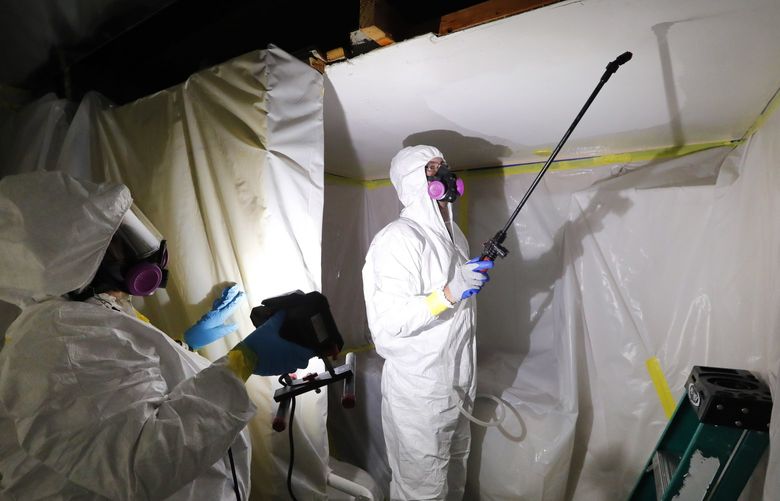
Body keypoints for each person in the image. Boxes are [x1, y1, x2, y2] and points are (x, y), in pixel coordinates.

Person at [0, 171, 314, 500]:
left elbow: (123, 386)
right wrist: (240, 364)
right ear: (69, 257)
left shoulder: (85, 314)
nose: (146, 252)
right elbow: (142, 464)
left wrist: (184, 346)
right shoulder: (59, 339)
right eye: (122, 243)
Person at [362, 145, 493, 500]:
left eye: (444, 166)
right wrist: (449, 293)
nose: (444, 175)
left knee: (453, 477)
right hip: (420, 393)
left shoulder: (456, 238)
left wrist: (467, 282)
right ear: (412, 183)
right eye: (432, 168)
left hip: (458, 383)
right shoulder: (397, 239)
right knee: (422, 489)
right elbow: (389, 323)